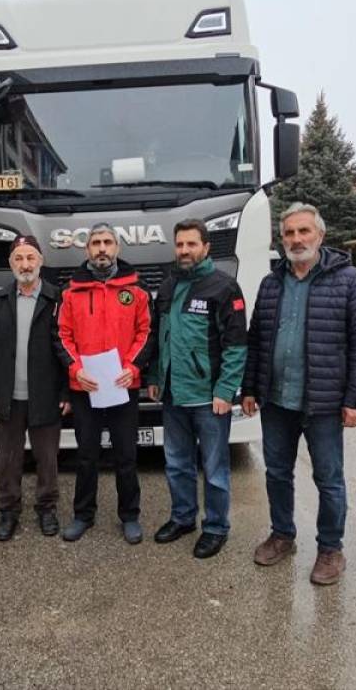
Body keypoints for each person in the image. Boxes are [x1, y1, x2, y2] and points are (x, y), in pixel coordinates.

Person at [241, 202, 356, 585]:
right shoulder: (271, 283)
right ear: (281, 239)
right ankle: (282, 535)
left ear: (320, 235)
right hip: (277, 400)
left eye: (304, 231)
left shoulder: (348, 281)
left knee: (329, 479)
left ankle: (331, 549)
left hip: (324, 403)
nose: (297, 239)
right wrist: (249, 387)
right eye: (289, 233)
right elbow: (257, 339)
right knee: (277, 473)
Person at [146, 219, 247, 559]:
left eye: (191, 244)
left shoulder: (224, 287)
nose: (184, 250)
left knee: (214, 469)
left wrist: (225, 390)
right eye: (180, 244)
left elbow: (236, 345)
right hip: (173, 394)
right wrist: (155, 378)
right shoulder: (168, 286)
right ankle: (183, 517)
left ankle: (216, 527)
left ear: (206, 247)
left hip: (208, 397)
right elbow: (160, 337)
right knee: (176, 463)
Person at [56, 223, 152, 544]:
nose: (101, 248)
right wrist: (75, 369)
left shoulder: (136, 289)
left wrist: (132, 367)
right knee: (87, 455)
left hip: (123, 385)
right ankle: (83, 514)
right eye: (96, 242)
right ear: (87, 250)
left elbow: (146, 331)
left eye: (107, 242)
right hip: (86, 388)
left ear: (117, 248)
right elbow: (61, 335)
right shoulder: (70, 292)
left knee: (126, 455)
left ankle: (130, 516)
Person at [0, 236, 69, 541]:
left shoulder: (57, 299)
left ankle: (47, 509)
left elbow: (66, 348)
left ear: (41, 261)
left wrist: (66, 392)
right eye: (18, 258)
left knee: (47, 459)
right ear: (11, 264)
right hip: (8, 396)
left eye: (30, 257)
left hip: (46, 395)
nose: (25, 264)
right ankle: (9, 511)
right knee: (8, 459)